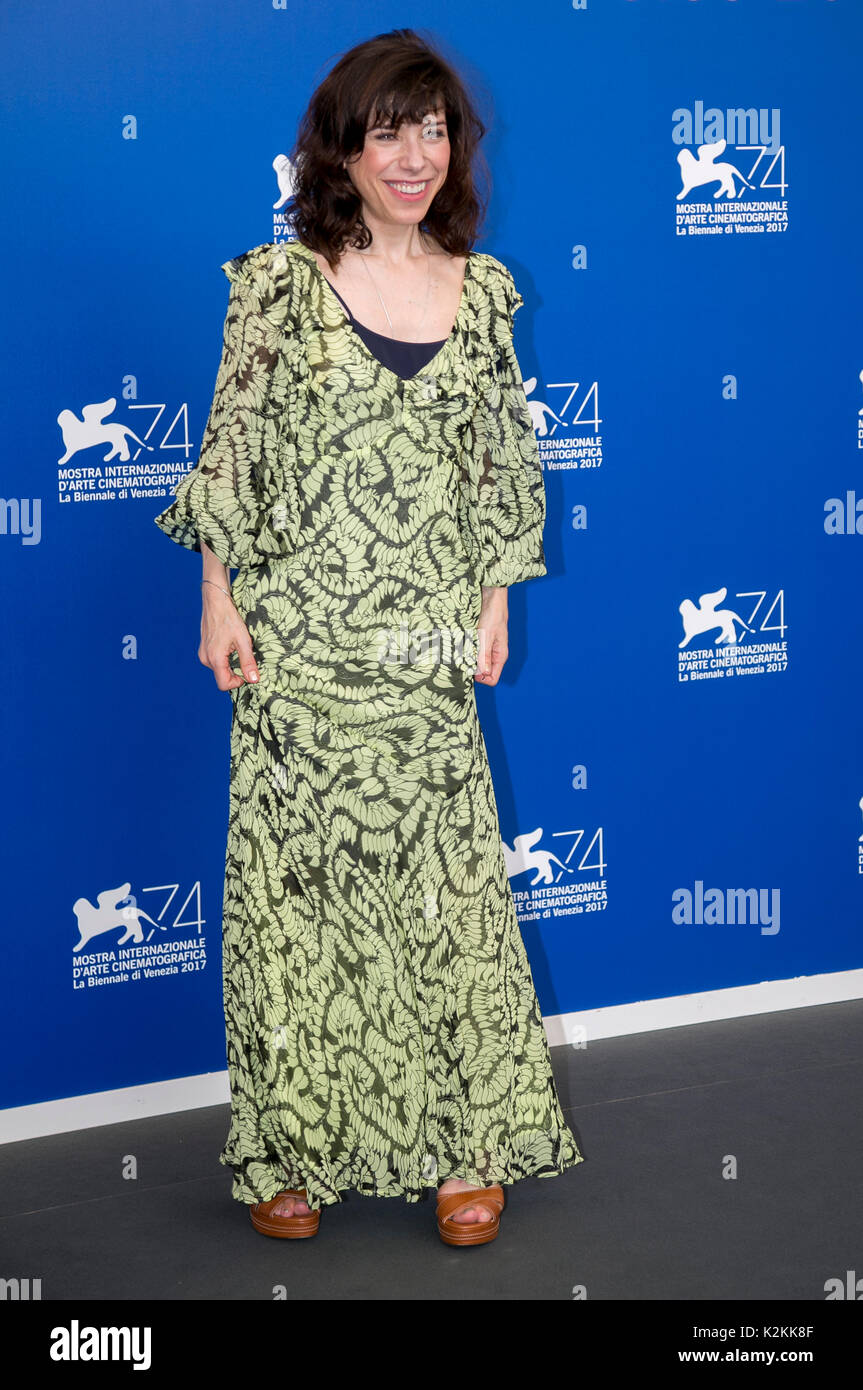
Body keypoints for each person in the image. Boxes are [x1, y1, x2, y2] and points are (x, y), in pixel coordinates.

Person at [154, 27, 583, 1248]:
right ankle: (292, 1151)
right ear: (339, 145)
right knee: (297, 908)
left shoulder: (483, 290)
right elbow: (229, 454)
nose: (412, 154)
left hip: (426, 650)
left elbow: (498, 464)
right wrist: (215, 598)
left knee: (447, 901)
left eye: (432, 128)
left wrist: (494, 596)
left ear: (458, 148)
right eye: (387, 128)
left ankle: (462, 1151)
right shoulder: (277, 286)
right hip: (295, 644)